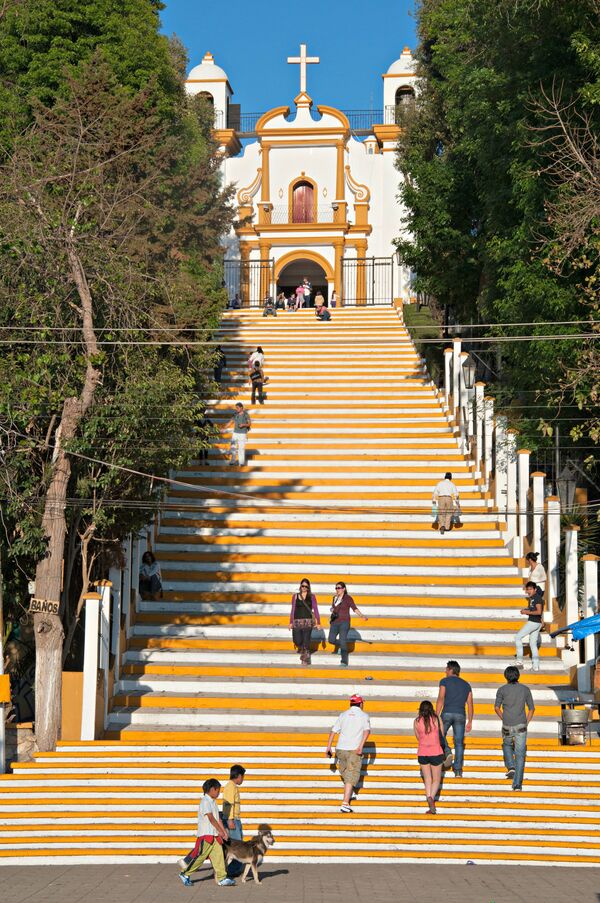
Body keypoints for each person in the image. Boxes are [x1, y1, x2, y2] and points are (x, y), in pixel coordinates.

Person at [178, 778, 234, 887]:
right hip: (206, 835)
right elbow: (211, 819)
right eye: (218, 790)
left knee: (219, 856)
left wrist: (224, 832)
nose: (219, 792)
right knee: (200, 857)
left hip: (215, 836)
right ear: (212, 789)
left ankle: (222, 878)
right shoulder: (205, 801)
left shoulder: (213, 802)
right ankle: (185, 874)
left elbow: (218, 820)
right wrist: (220, 831)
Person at [325, 694, 370, 813]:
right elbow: (366, 731)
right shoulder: (364, 715)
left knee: (345, 772)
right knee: (351, 774)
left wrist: (329, 747)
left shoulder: (343, 715)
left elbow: (333, 731)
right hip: (354, 749)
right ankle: (345, 802)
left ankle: (350, 792)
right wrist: (361, 746)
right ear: (361, 704)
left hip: (340, 749)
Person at [494, 665, 535, 791]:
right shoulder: (525, 689)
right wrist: (526, 722)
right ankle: (517, 784)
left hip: (507, 725)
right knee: (520, 754)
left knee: (506, 745)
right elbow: (532, 708)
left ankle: (511, 766)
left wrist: (503, 718)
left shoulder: (501, 689)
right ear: (518, 676)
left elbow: (496, 708)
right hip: (521, 725)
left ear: (506, 676)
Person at [435, 660, 473, 777]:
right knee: (459, 743)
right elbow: (470, 704)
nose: (445, 671)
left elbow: (441, 698)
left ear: (451, 670)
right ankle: (458, 771)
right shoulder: (466, 685)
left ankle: (447, 751)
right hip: (461, 714)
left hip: (447, 712)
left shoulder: (444, 681)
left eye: (446, 669)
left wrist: (436, 714)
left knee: (439, 734)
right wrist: (470, 721)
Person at [413, 700, 444, 815]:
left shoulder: (416, 721)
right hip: (436, 751)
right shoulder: (436, 719)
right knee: (436, 779)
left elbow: (417, 737)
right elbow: (442, 733)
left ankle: (428, 797)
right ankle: (431, 797)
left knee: (427, 779)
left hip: (422, 752)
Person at [328, 581, 368, 667]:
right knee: (331, 640)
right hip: (335, 622)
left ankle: (344, 661)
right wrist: (332, 609)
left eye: (339, 588)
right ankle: (340, 646)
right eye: (336, 588)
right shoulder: (334, 598)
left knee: (343, 641)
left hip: (344, 622)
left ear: (343, 589)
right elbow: (334, 608)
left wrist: (361, 615)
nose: (337, 590)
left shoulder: (348, 598)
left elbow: (354, 608)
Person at [288, 578, 320, 666]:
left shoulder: (312, 596)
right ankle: (304, 650)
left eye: (306, 586)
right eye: (303, 586)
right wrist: (291, 622)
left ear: (308, 587)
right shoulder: (295, 596)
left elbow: (316, 609)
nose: (304, 588)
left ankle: (305, 659)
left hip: (308, 622)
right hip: (297, 622)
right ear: (300, 586)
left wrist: (318, 622)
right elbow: (293, 609)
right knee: (297, 640)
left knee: (306, 641)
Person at [221, 764, 246, 878]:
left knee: (238, 845)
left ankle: (232, 869)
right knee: (238, 847)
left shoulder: (232, 786)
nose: (243, 779)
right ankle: (230, 870)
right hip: (233, 820)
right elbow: (228, 804)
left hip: (235, 819)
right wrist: (230, 820)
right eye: (243, 777)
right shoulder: (230, 787)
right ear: (239, 776)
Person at [515, 581, 544, 671]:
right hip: (536, 622)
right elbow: (535, 611)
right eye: (527, 589)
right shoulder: (532, 599)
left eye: (530, 589)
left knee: (518, 637)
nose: (528, 591)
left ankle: (519, 661)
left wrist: (526, 612)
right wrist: (527, 610)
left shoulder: (537, 598)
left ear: (535, 589)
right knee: (533, 644)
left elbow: (539, 612)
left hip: (533, 622)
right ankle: (536, 666)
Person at [228, 402, 251, 466]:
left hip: (242, 433)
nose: (237, 409)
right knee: (233, 447)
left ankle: (241, 462)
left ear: (241, 408)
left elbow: (249, 424)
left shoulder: (246, 414)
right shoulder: (235, 414)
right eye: (236, 408)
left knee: (241, 448)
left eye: (238, 408)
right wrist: (224, 428)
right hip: (235, 433)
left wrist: (244, 424)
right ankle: (233, 461)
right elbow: (231, 421)